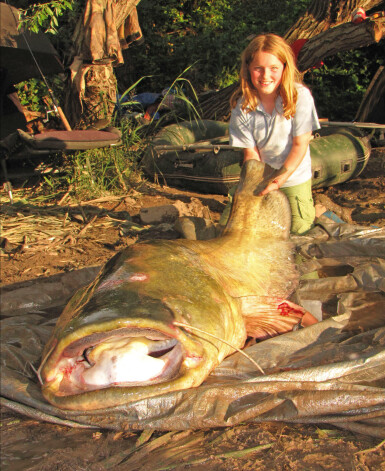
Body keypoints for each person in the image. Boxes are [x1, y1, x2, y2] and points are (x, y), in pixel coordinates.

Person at [221, 33, 325, 235]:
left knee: (301, 235)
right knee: (227, 229)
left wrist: (278, 181)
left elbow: (300, 145)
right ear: (248, 69)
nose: (265, 76)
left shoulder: (299, 96)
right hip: (259, 179)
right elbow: (251, 156)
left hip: (293, 178)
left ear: (284, 68)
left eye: (273, 68)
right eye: (258, 68)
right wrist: (256, 188)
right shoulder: (242, 108)